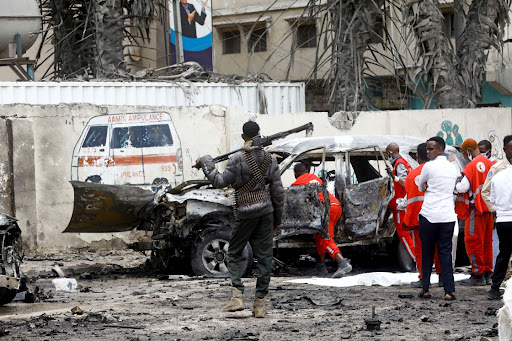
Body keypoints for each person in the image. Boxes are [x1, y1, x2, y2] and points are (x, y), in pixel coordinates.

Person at [195, 121, 285, 318]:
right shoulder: (271, 159)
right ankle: (259, 305)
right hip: (266, 212)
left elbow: (219, 181)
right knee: (265, 259)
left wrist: (206, 161)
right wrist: (277, 219)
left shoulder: (237, 158)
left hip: (245, 212)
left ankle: (237, 298)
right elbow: (278, 194)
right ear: (259, 134)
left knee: (234, 253)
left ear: (243, 137)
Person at [292, 162, 352, 278]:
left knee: (326, 239)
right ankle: (321, 266)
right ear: (307, 171)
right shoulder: (314, 178)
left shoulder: (296, 184)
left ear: (295, 174)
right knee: (320, 237)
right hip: (335, 205)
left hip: (324, 209)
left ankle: (342, 262)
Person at [417, 136, 459, 300]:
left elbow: (420, 185)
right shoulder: (452, 167)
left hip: (429, 215)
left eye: (430, 148)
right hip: (447, 216)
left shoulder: (428, 166)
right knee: (445, 254)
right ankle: (449, 291)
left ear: (440, 149)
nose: (427, 152)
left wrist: (427, 185)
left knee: (426, 252)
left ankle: (426, 288)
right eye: (427, 148)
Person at [402, 143, 442, 288]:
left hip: (419, 220)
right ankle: (442, 277)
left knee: (421, 250)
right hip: (438, 217)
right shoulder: (438, 172)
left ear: (418, 156)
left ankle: (423, 278)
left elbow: (409, 199)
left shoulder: (412, 175)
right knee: (439, 248)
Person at [455, 138, 493, 286]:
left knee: (473, 241)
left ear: (469, 151)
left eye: (464, 154)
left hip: (475, 209)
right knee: (486, 242)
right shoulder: (489, 163)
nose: (465, 157)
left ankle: (477, 274)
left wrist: (455, 184)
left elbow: (463, 188)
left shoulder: (471, 166)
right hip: (488, 209)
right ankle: (488, 273)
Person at [482, 135, 512, 272]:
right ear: (505, 149)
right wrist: (495, 209)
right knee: (504, 252)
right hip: (504, 217)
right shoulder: (498, 168)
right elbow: (485, 192)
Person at [487, 139, 512, 300]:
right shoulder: (496, 171)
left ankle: (494, 288)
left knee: (503, 254)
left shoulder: (498, 176)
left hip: (503, 220)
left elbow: (492, 198)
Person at [385, 143, 415, 263]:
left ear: (390, 152)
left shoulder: (400, 164)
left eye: (387, 153)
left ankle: (416, 259)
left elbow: (406, 182)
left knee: (403, 234)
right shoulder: (402, 162)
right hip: (402, 202)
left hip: (400, 204)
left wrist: (394, 177)